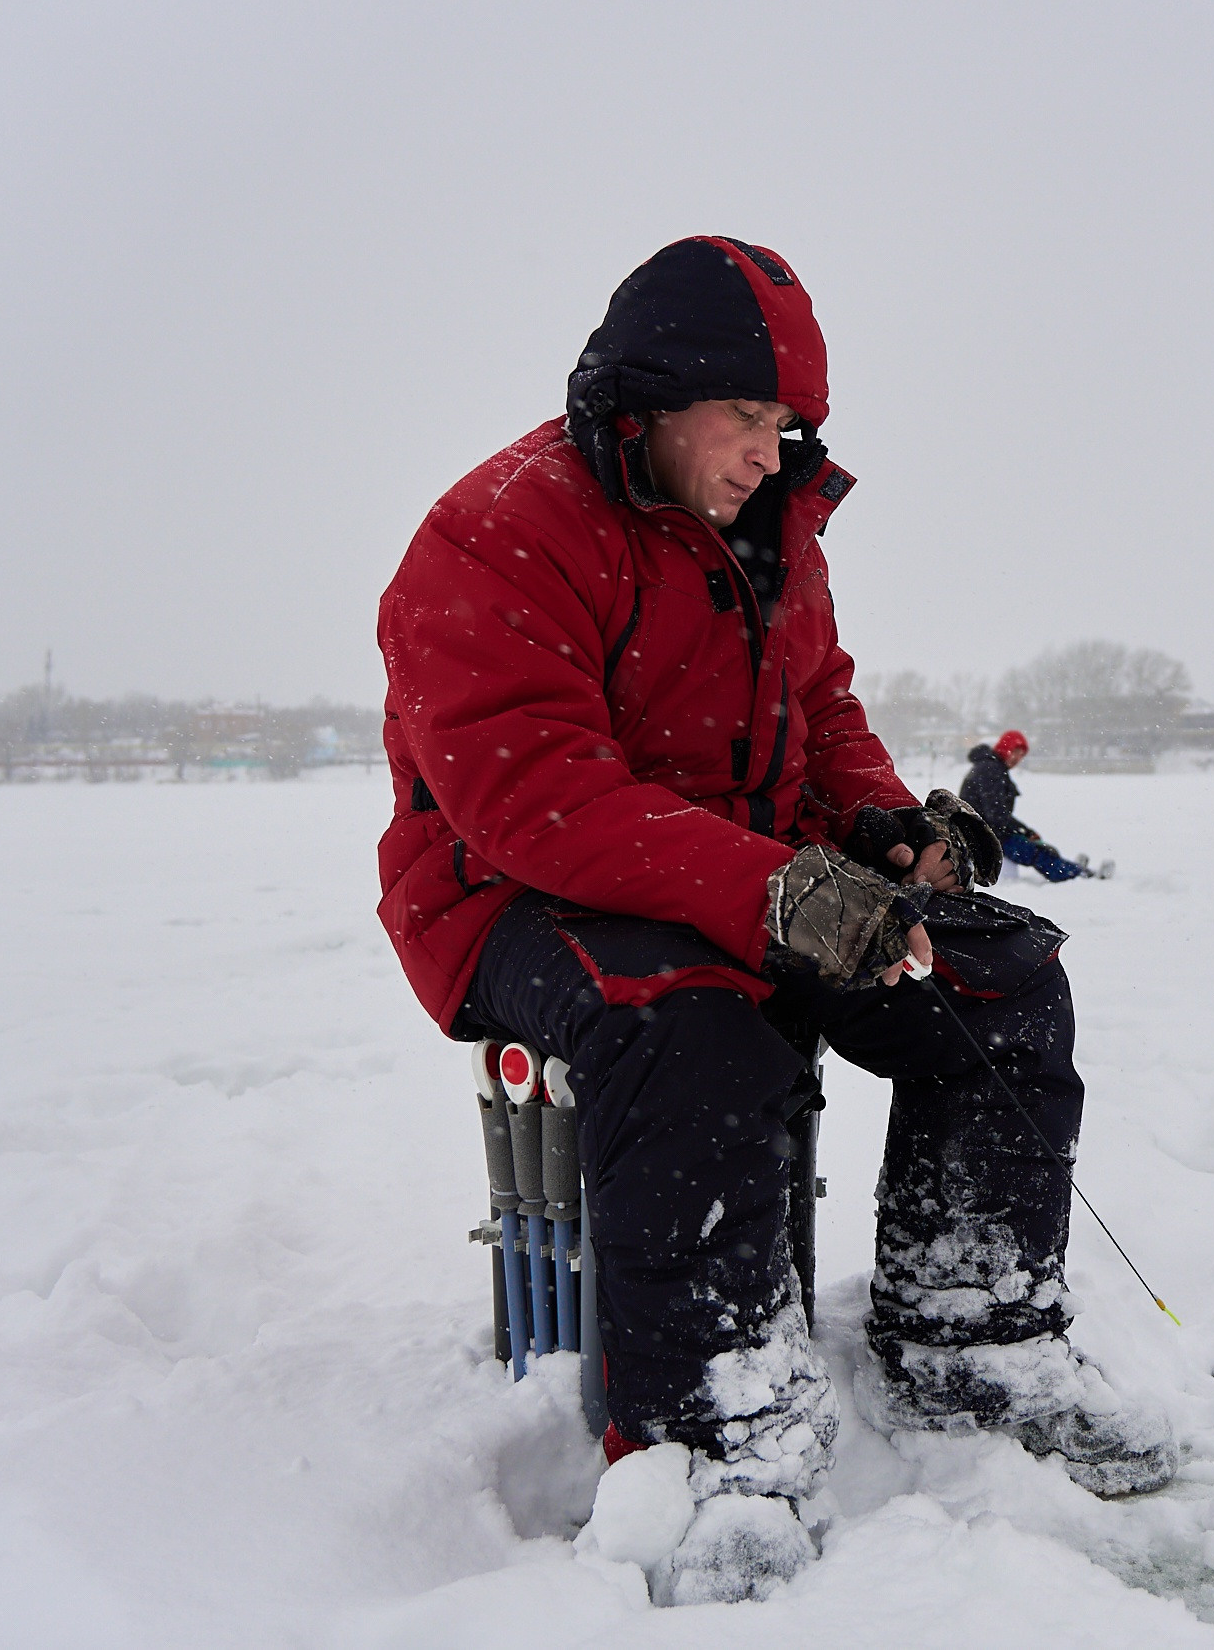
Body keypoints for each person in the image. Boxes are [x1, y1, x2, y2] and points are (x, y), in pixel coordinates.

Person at [375, 237, 1171, 1602]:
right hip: (517, 896)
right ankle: (713, 1436)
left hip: (738, 878)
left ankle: (969, 1336)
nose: (767, 451)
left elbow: (825, 718)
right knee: (694, 1024)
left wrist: (885, 833)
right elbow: (533, 795)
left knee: (1000, 974)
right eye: (742, 419)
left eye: (784, 425)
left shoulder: (776, 535)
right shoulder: (497, 528)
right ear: (648, 400)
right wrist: (777, 892)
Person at [961, 731, 1114, 883]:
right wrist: (1025, 832)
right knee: (1038, 853)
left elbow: (996, 814)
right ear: (1004, 747)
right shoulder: (990, 770)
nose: (1017, 759)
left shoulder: (991, 767)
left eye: (1021, 755)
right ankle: (1079, 874)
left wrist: (1024, 831)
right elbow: (996, 815)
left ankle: (1071, 867)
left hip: (987, 832)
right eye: (1015, 752)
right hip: (986, 837)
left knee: (1038, 848)